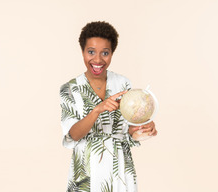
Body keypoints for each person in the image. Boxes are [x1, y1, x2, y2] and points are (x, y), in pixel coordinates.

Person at [60, 21, 157, 192]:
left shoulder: (123, 83)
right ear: (82, 51)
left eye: (105, 53)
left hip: (119, 168)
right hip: (86, 171)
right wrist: (97, 109)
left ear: (112, 53)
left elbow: (128, 128)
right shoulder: (70, 89)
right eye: (91, 52)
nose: (97, 59)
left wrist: (143, 128)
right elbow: (73, 135)